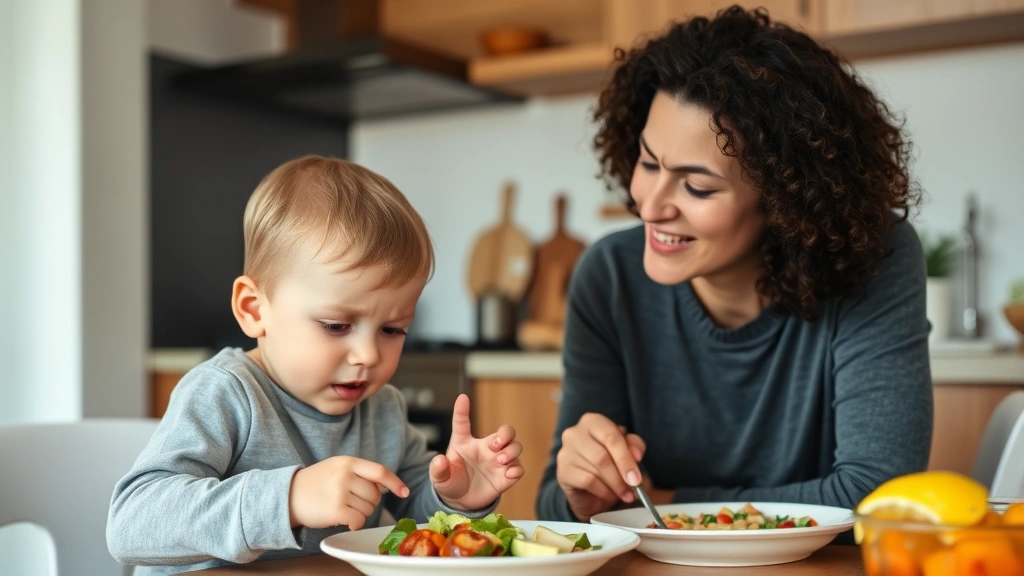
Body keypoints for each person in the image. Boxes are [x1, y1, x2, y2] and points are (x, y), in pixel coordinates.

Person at [537, 6, 932, 524]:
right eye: (649, 163)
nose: (651, 206)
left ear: (786, 200)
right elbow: (555, 508)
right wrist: (580, 493)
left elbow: (880, 497)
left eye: (697, 186)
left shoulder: (876, 257)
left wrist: (665, 506)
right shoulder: (608, 277)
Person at [108, 156, 524, 574]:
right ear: (255, 310)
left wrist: (455, 499)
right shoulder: (225, 393)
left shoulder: (383, 411)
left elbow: (413, 517)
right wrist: (286, 499)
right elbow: (131, 525)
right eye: (336, 325)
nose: (369, 355)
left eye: (393, 329)